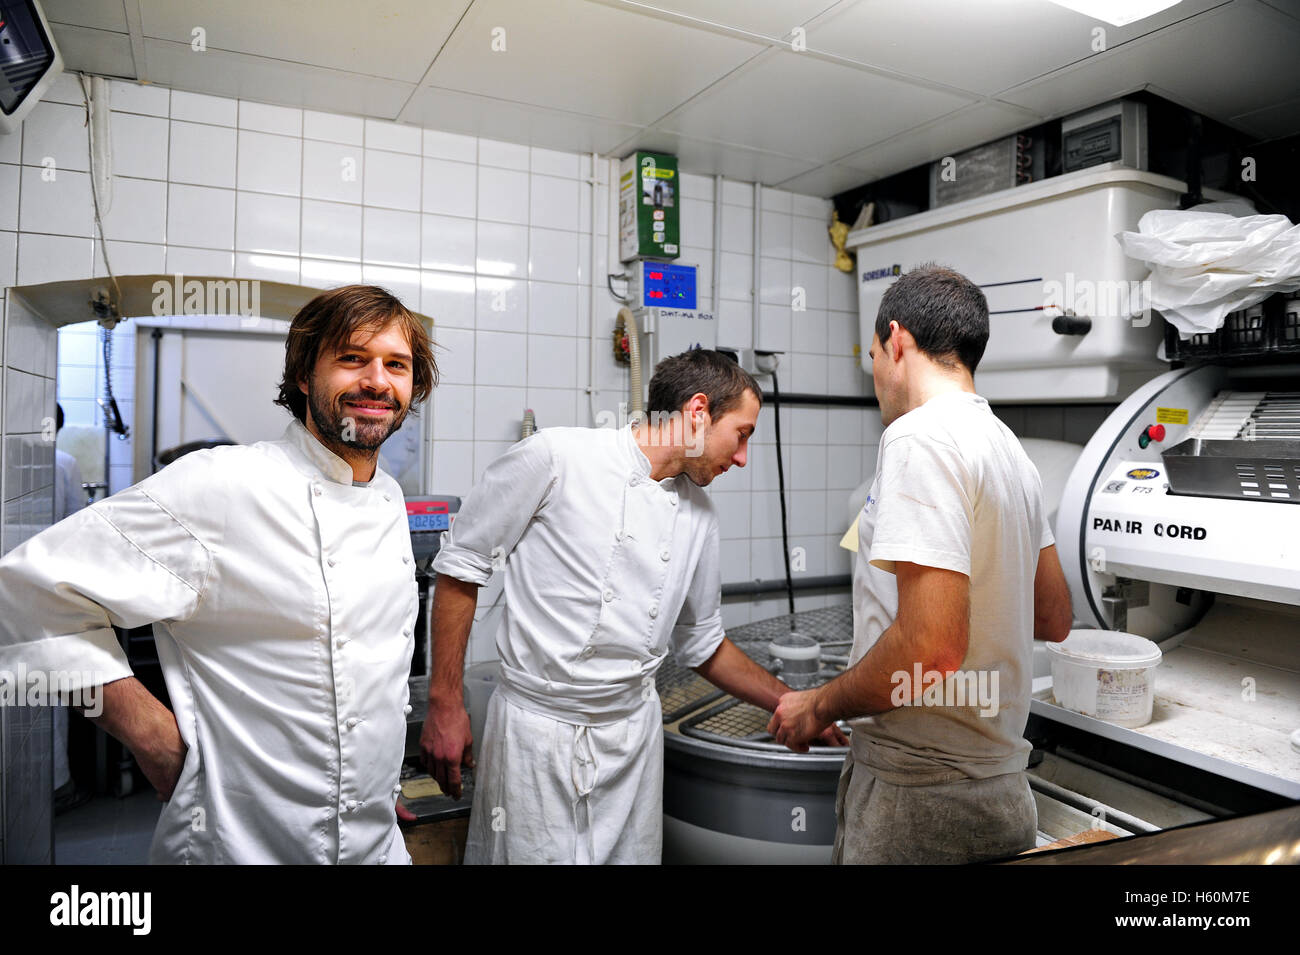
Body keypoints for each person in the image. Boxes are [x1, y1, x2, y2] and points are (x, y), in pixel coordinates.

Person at [0, 285, 437, 864]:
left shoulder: (386, 499)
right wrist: (151, 736)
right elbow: (26, 592)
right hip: (237, 845)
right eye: (352, 358)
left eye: (396, 365)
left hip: (372, 846)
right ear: (305, 376)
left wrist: (367, 794)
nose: (378, 381)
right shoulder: (221, 485)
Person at [421, 349, 846, 864]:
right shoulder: (556, 458)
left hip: (632, 742)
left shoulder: (700, 515)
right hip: (538, 736)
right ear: (696, 412)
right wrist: (446, 705)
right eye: (742, 433)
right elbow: (462, 567)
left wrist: (796, 705)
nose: (741, 457)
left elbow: (703, 643)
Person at [767, 265, 1073, 864]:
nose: (877, 375)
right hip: (1001, 792)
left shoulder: (918, 438)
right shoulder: (1012, 452)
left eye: (876, 354)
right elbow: (1053, 616)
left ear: (897, 340)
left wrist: (819, 704)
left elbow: (930, 649)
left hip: (919, 803)